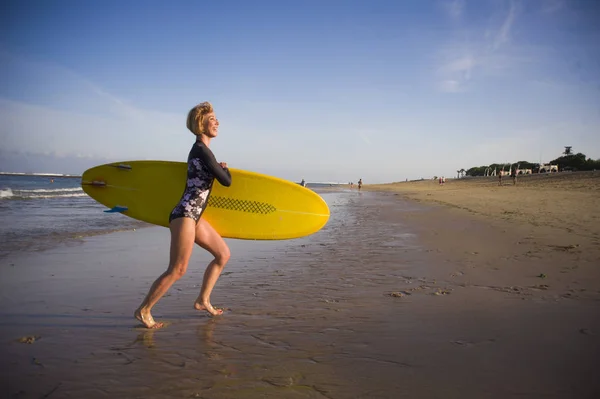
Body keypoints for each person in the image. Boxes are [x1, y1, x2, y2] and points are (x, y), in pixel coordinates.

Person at [135, 102, 232, 329]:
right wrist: (223, 168)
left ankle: (202, 300)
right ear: (201, 123)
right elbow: (226, 181)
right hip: (185, 215)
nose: (217, 122)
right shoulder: (201, 150)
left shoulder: (204, 152)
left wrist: (218, 166)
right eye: (212, 118)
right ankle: (144, 310)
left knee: (223, 254)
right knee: (178, 269)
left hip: (195, 217)